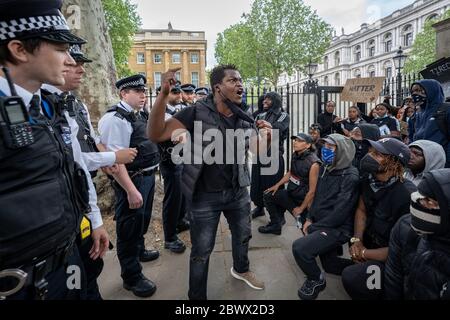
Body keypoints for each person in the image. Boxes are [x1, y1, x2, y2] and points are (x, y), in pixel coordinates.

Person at [148, 65, 271, 300]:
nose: (240, 84)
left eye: (241, 80)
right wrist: (162, 95)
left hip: (238, 193)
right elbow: (156, 134)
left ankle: (241, 269)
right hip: (204, 197)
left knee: (243, 236)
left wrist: (266, 136)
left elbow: (255, 151)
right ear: (217, 87)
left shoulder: (245, 115)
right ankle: (196, 297)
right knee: (201, 251)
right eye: (233, 80)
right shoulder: (195, 112)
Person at [0, 0, 89, 300]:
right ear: (19, 49)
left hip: (66, 262)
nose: (70, 60)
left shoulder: (44, 106)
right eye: (61, 49)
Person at [42, 45, 141, 300]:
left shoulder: (76, 104)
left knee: (88, 271)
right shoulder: (41, 105)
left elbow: (90, 141)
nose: (80, 69)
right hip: (54, 220)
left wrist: (104, 160)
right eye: (73, 62)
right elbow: (71, 161)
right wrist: (112, 157)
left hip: (82, 202)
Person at [99, 74, 161, 298]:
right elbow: (115, 159)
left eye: (144, 91)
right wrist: (130, 190)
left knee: (140, 221)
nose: (143, 95)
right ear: (124, 93)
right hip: (132, 180)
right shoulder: (116, 118)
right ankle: (132, 276)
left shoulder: (137, 114)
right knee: (128, 228)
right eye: (138, 92)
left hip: (146, 176)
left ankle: (140, 249)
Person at [341, 138, 417, 300]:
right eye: (371, 152)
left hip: (391, 259)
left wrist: (364, 253)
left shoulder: (407, 195)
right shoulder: (368, 180)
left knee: (352, 278)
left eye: (377, 154)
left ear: (394, 163)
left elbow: (403, 249)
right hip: (369, 243)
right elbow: (361, 210)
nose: (369, 156)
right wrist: (356, 240)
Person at [292, 134, 360, 300]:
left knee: (300, 248)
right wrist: (309, 218)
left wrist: (315, 227)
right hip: (321, 222)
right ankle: (361, 268)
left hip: (338, 228)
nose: (325, 150)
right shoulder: (326, 168)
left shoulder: (350, 176)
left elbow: (340, 212)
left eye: (331, 147)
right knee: (330, 265)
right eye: (324, 146)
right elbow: (317, 197)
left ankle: (316, 280)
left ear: (342, 151)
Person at [384, 169, 450, 300]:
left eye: (429, 201)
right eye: (420, 195)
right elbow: (393, 277)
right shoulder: (405, 226)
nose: (419, 203)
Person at [260, 133, 320, 235]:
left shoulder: (314, 163)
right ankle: (276, 225)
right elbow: (291, 173)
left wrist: (301, 209)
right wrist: (277, 185)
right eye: (295, 140)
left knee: (306, 230)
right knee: (268, 195)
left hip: (302, 201)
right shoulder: (295, 154)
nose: (295, 142)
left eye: (300, 141)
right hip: (291, 193)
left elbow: (312, 191)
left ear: (308, 145)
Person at [158, 83, 189, 254]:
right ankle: (169, 237)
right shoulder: (161, 113)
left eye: (179, 91)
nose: (178, 94)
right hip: (170, 160)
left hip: (182, 157)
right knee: (173, 197)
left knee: (182, 194)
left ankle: (180, 221)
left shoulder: (179, 110)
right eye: (174, 91)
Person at [250, 92, 290, 219]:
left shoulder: (283, 115)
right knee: (257, 184)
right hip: (260, 153)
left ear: (275, 100)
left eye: (268, 99)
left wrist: (266, 125)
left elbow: (279, 127)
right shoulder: (260, 114)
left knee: (273, 186)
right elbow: (252, 129)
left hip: (274, 155)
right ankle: (259, 207)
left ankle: (278, 217)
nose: (264, 101)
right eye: (264, 99)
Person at [410, 80, 450, 168]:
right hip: (421, 165)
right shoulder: (416, 114)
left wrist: (447, 165)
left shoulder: (446, 109)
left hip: (441, 165)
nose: (414, 94)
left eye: (418, 90)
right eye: (413, 91)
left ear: (431, 90)